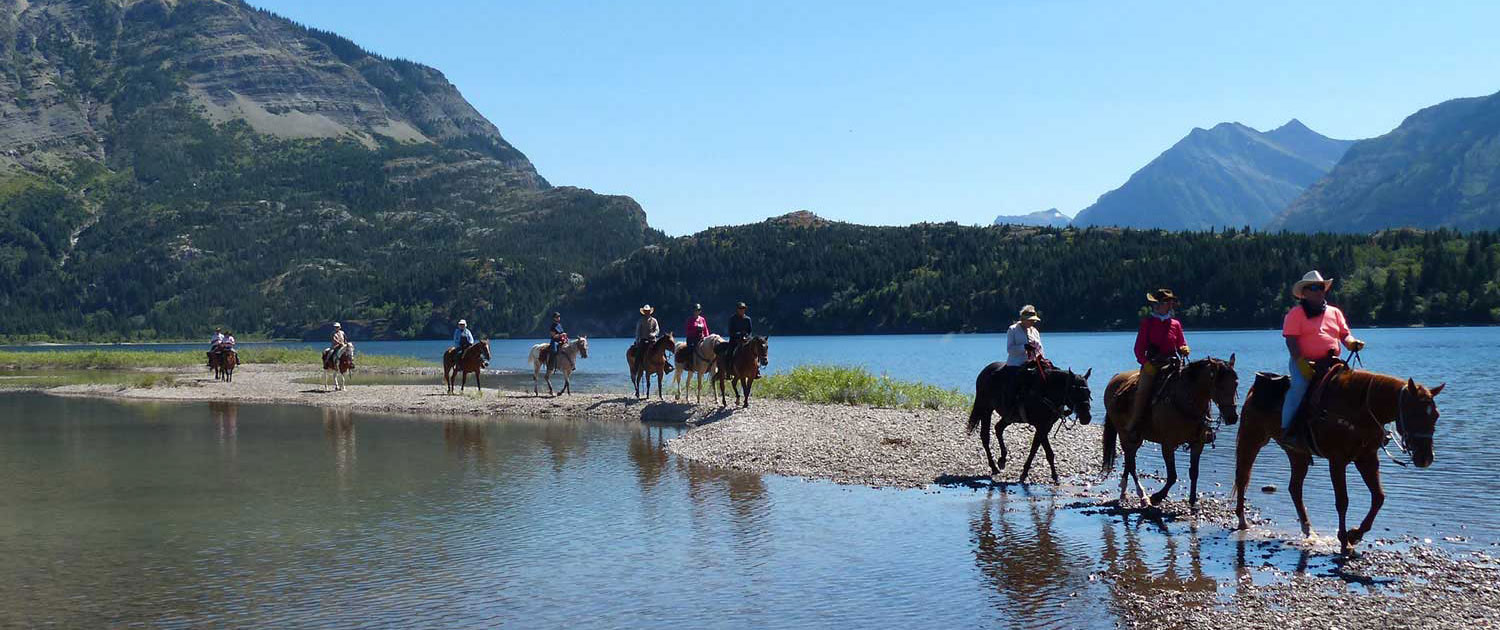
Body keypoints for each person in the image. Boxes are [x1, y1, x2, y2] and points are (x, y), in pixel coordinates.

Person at [1280, 271, 1365, 442]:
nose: (1318, 291)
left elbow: (1344, 335)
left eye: (1320, 287)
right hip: (1303, 361)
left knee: (1357, 386)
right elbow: (1291, 342)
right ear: (1304, 293)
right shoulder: (1295, 314)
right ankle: (1287, 430)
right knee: (1299, 387)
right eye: (1313, 287)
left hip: (1332, 362)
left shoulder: (1335, 312)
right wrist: (1301, 362)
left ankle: (1364, 428)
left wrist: (1352, 343)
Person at [1124, 289, 1191, 436]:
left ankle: (1198, 426)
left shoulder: (1175, 324)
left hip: (1173, 363)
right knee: (1142, 391)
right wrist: (1146, 364)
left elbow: (1181, 342)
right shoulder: (1147, 323)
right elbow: (1138, 349)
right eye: (1166, 303)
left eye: (1169, 303)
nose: (1169, 305)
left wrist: (1184, 348)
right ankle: (1134, 424)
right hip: (1152, 364)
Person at [999, 305, 1043, 419]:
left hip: (1033, 363)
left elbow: (1040, 348)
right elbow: (1010, 349)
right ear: (1023, 320)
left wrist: (1040, 357)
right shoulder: (1012, 329)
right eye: (1030, 321)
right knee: (1014, 384)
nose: (1032, 323)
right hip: (1016, 364)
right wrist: (1024, 347)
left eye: (1033, 321)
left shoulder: (1035, 331)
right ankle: (1010, 409)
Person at [635, 305, 670, 373]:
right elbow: (638, 331)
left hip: (653, 340)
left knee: (662, 351)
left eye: (648, 311)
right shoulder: (641, 321)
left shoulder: (654, 320)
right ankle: (636, 367)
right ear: (644, 312)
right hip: (643, 340)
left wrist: (653, 334)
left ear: (650, 312)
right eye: (645, 311)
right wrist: (637, 340)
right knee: (639, 352)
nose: (647, 312)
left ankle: (666, 366)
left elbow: (657, 330)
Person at [684, 304, 711, 369]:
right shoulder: (690, 320)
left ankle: (710, 365)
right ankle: (689, 364)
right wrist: (695, 330)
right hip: (692, 339)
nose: (696, 312)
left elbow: (706, 329)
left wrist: (707, 337)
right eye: (695, 310)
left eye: (698, 310)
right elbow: (687, 331)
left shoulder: (702, 319)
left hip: (701, 338)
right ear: (693, 311)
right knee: (690, 350)